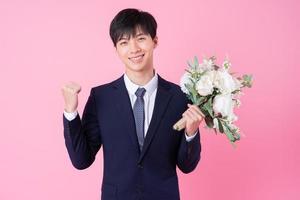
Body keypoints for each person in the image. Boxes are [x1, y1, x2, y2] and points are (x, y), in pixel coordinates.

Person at [61, 8, 204, 200]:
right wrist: (71, 112)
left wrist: (191, 133)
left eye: (141, 38)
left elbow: (187, 166)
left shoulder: (180, 97)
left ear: (155, 41)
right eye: (124, 42)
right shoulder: (101, 97)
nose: (134, 48)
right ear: (116, 50)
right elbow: (81, 160)